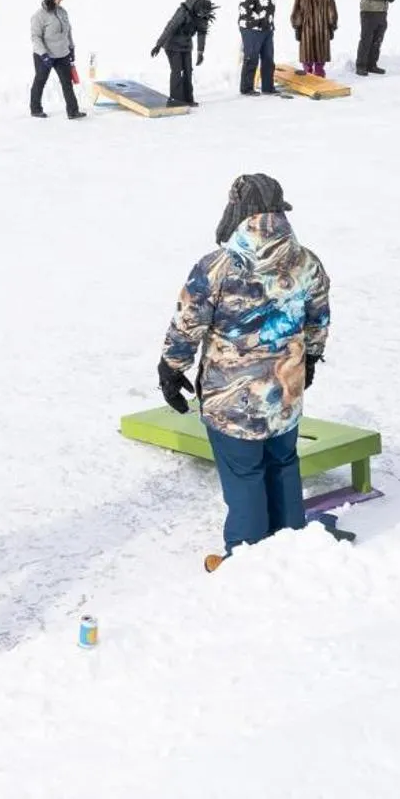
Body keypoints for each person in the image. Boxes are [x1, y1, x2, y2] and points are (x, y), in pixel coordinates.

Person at [156, 174, 330, 567]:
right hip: (285, 392)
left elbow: (188, 324)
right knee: (283, 463)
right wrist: (312, 358)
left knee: (246, 473)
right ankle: (291, 549)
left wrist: (170, 368)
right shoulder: (306, 262)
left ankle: (248, 562)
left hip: (231, 400)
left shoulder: (216, 267)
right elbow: (319, 318)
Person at [29, 0, 83, 119]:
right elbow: (35, 37)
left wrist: (71, 49)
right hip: (44, 56)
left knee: (67, 83)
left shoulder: (62, 12)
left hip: (62, 54)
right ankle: (35, 109)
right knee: (40, 81)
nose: (61, 0)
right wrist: (43, 54)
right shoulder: (38, 16)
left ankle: (73, 111)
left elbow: (68, 31)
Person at [150, 0, 215, 106]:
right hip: (172, 44)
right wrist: (158, 45)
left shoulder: (203, 16)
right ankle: (176, 99)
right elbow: (170, 27)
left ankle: (188, 99)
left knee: (188, 71)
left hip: (186, 45)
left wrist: (200, 52)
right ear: (197, 8)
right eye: (200, 13)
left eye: (204, 14)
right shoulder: (183, 12)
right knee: (177, 70)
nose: (201, 15)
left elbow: (201, 34)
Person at [290, 0, 338, 77]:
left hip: (323, 27)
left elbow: (332, 8)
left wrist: (332, 23)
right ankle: (308, 72)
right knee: (307, 53)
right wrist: (297, 25)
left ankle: (319, 72)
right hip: (307, 27)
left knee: (321, 52)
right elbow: (297, 9)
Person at [237, 0, 277, 95]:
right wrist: (259, 22)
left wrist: (269, 24)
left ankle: (268, 87)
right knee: (251, 57)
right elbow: (244, 10)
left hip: (267, 30)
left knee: (268, 58)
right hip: (251, 30)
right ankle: (246, 88)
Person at [355, 0, 398, 74]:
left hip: (382, 13)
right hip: (368, 13)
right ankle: (361, 66)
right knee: (366, 40)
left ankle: (372, 65)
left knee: (377, 40)